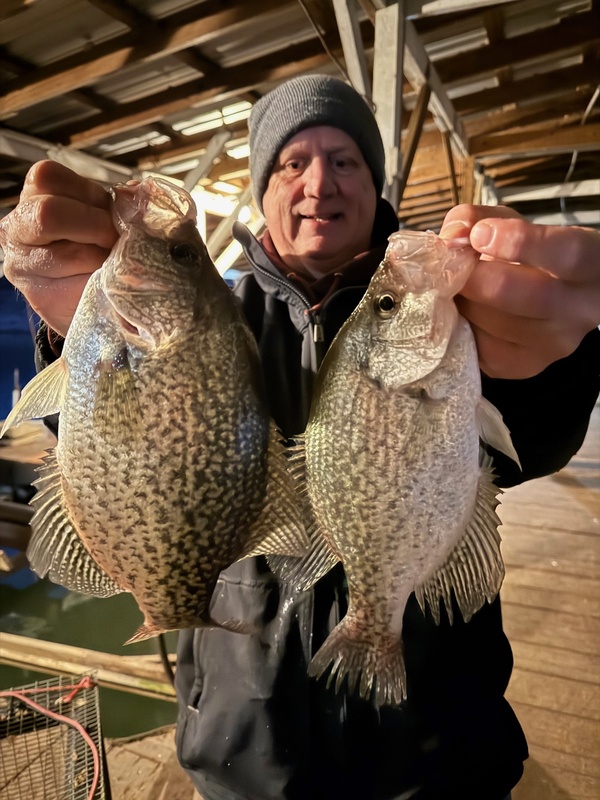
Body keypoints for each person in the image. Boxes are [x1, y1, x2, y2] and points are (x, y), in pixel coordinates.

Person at [1, 74, 599, 800]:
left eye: (345, 160)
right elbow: (121, 454)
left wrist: (553, 361)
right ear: (262, 191)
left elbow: (525, 439)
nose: (320, 181)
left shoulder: (453, 311)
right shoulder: (216, 317)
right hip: (239, 759)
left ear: (375, 186)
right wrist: (68, 335)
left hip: (441, 761)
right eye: (293, 162)